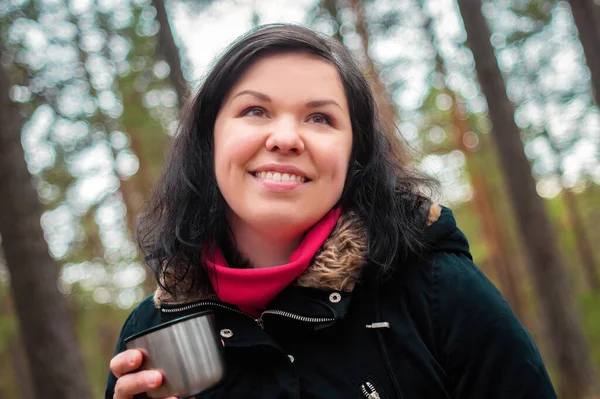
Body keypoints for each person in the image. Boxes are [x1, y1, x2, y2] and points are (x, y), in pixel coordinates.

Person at [106, 24, 557, 399]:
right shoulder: (150, 334)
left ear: (354, 156)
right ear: (209, 142)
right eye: (255, 110)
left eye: (320, 118)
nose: (285, 138)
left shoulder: (439, 291)